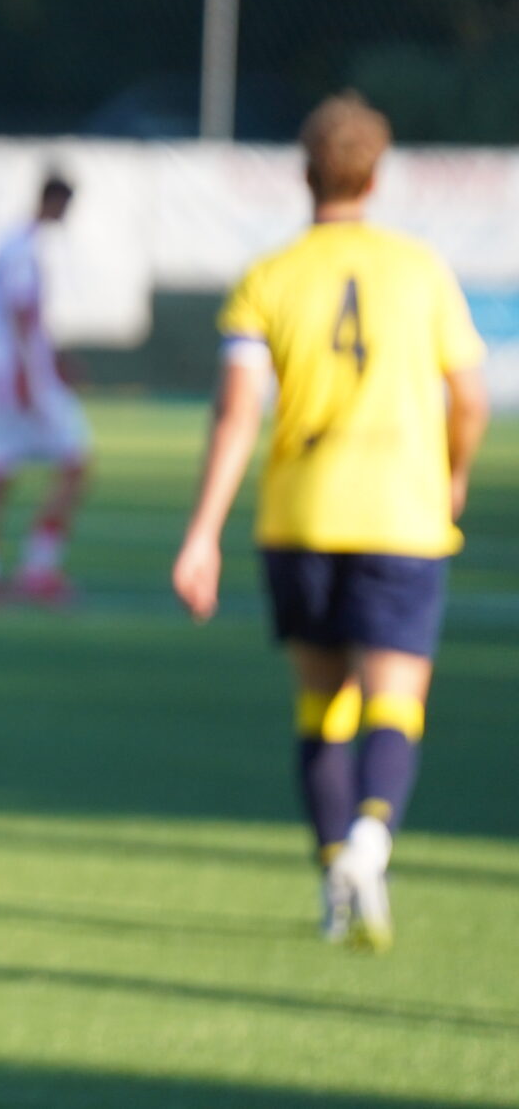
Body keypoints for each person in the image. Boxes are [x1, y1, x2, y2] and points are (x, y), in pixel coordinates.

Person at [172, 93, 489, 952]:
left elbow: (238, 411)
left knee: (321, 707)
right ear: (377, 174)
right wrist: (454, 472)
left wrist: (201, 531)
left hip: (301, 517)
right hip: (401, 515)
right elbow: (469, 394)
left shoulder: (270, 277)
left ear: (303, 172)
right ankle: (373, 840)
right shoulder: (419, 269)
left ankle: (333, 876)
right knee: (396, 701)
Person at [0, 172, 91, 609]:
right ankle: (38, 569)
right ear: (54, 201)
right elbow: (19, 314)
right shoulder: (23, 249)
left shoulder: (11, 242)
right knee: (75, 462)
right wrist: (33, 378)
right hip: (14, 376)